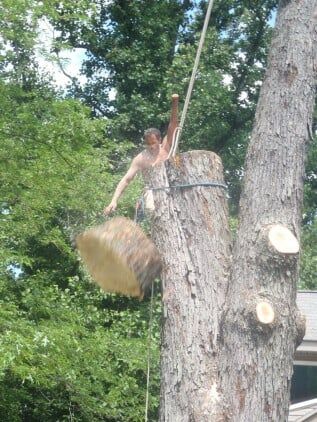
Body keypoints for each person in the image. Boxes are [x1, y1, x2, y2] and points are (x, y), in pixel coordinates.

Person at [104, 94, 179, 215]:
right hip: (152, 190)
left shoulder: (166, 147)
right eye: (148, 144)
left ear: (159, 140)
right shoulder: (140, 159)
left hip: (172, 186)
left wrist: (175, 103)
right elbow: (126, 179)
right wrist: (113, 201)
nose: (151, 146)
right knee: (151, 208)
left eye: (153, 143)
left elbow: (173, 124)